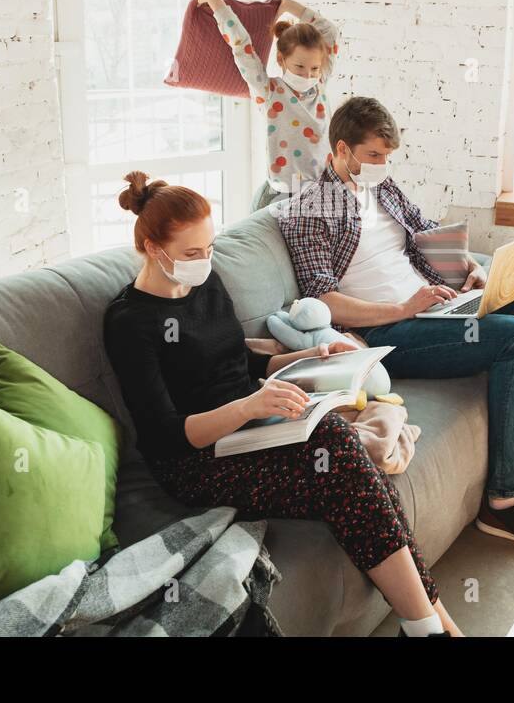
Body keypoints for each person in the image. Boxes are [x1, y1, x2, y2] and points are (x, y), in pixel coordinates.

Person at [103, 170, 460, 637]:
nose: (205, 261)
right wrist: (249, 408)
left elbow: (237, 367)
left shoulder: (205, 286)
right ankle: (434, 626)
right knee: (342, 452)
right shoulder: (129, 322)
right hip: (197, 460)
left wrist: (311, 357)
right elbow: (166, 435)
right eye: (192, 253)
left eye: (209, 248)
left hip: (252, 424)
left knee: (347, 462)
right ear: (153, 249)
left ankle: (430, 624)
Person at [274, 97, 514, 549]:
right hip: (388, 331)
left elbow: (426, 230)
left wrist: (467, 268)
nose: (381, 166)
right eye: (373, 156)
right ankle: (506, 502)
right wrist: (403, 309)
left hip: (433, 308)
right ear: (342, 149)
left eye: (387, 157)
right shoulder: (311, 206)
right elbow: (323, 298)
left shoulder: (382, 188)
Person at [194, 0, 338, 211]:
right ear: (281, 60)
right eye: (299, 66)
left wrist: (291, 6)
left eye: (314, 68)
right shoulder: (269, 92)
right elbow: (241, 46)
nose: (307, 75)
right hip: (285, 192)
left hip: (324, 189)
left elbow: (330, 31)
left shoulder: (319, 84)